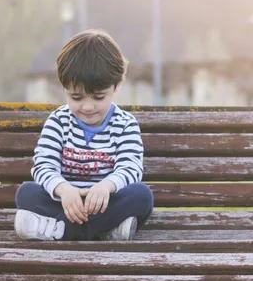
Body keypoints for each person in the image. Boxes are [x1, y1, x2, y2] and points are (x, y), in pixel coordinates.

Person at [14, 29, 154, 241]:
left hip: (106, 203)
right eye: (76, 97)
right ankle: (106, 231)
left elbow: (131, 168)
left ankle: (58, 230)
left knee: (142, 196)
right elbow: (43, 165)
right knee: (26, 193)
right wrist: (64, 190)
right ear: (64, 89)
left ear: (116, 86)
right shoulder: (58, 121)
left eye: (98, 97)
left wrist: (106, 187)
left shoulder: (125, 124)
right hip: (64, 201)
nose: (87, 107)